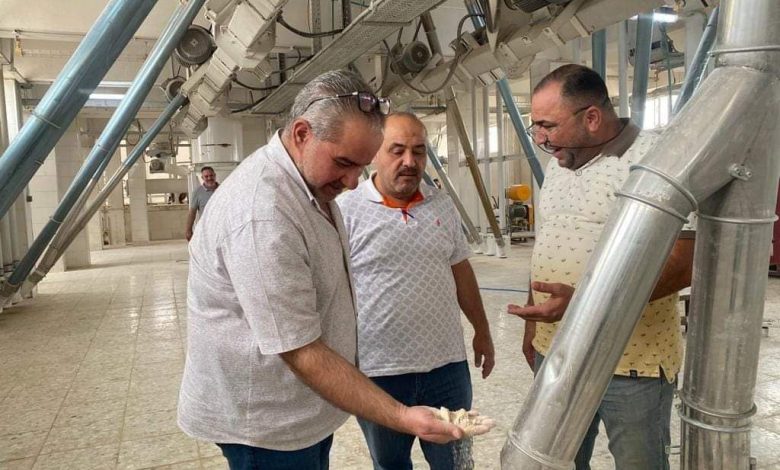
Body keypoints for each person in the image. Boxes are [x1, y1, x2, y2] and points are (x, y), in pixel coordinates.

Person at [178, 70, 471, 470]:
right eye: (344, 163)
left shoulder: (308, 184)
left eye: (361, 167)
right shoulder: (263, 214)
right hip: (265, 427)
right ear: (302, 134)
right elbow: (301, 350)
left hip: (303, 409)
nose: (352, 182)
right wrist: (402, 416)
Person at [507, 64, 694, 470]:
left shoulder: (658, 158)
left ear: (591, 118)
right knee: (556, 461)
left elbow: (683, 263)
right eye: (535, 126)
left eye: (548, 126)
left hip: (630, 362)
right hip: (557, 352)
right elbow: (548, 242)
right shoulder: (560, 163)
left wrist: (583, 303)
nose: (540, 138)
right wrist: (532, 325)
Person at [337, 112, 495, 470]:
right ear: (375, 153)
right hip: (379, 373)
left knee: (455, 462)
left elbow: (461, 271)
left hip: (447, 369)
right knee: (390, 464)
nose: (409, 161)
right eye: (397, 151)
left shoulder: (442, 205)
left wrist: (483, 331)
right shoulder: (346, 211)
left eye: (419, 151)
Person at [185, 166, 219, 241]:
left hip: (222, 229)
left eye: (211, 175)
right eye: (206, 176)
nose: (209, 178)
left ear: (215, 175)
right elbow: (192, 213)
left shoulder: (222, 189)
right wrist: (188, 230)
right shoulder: (197, 192)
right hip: (206, 231)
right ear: (202, 178)